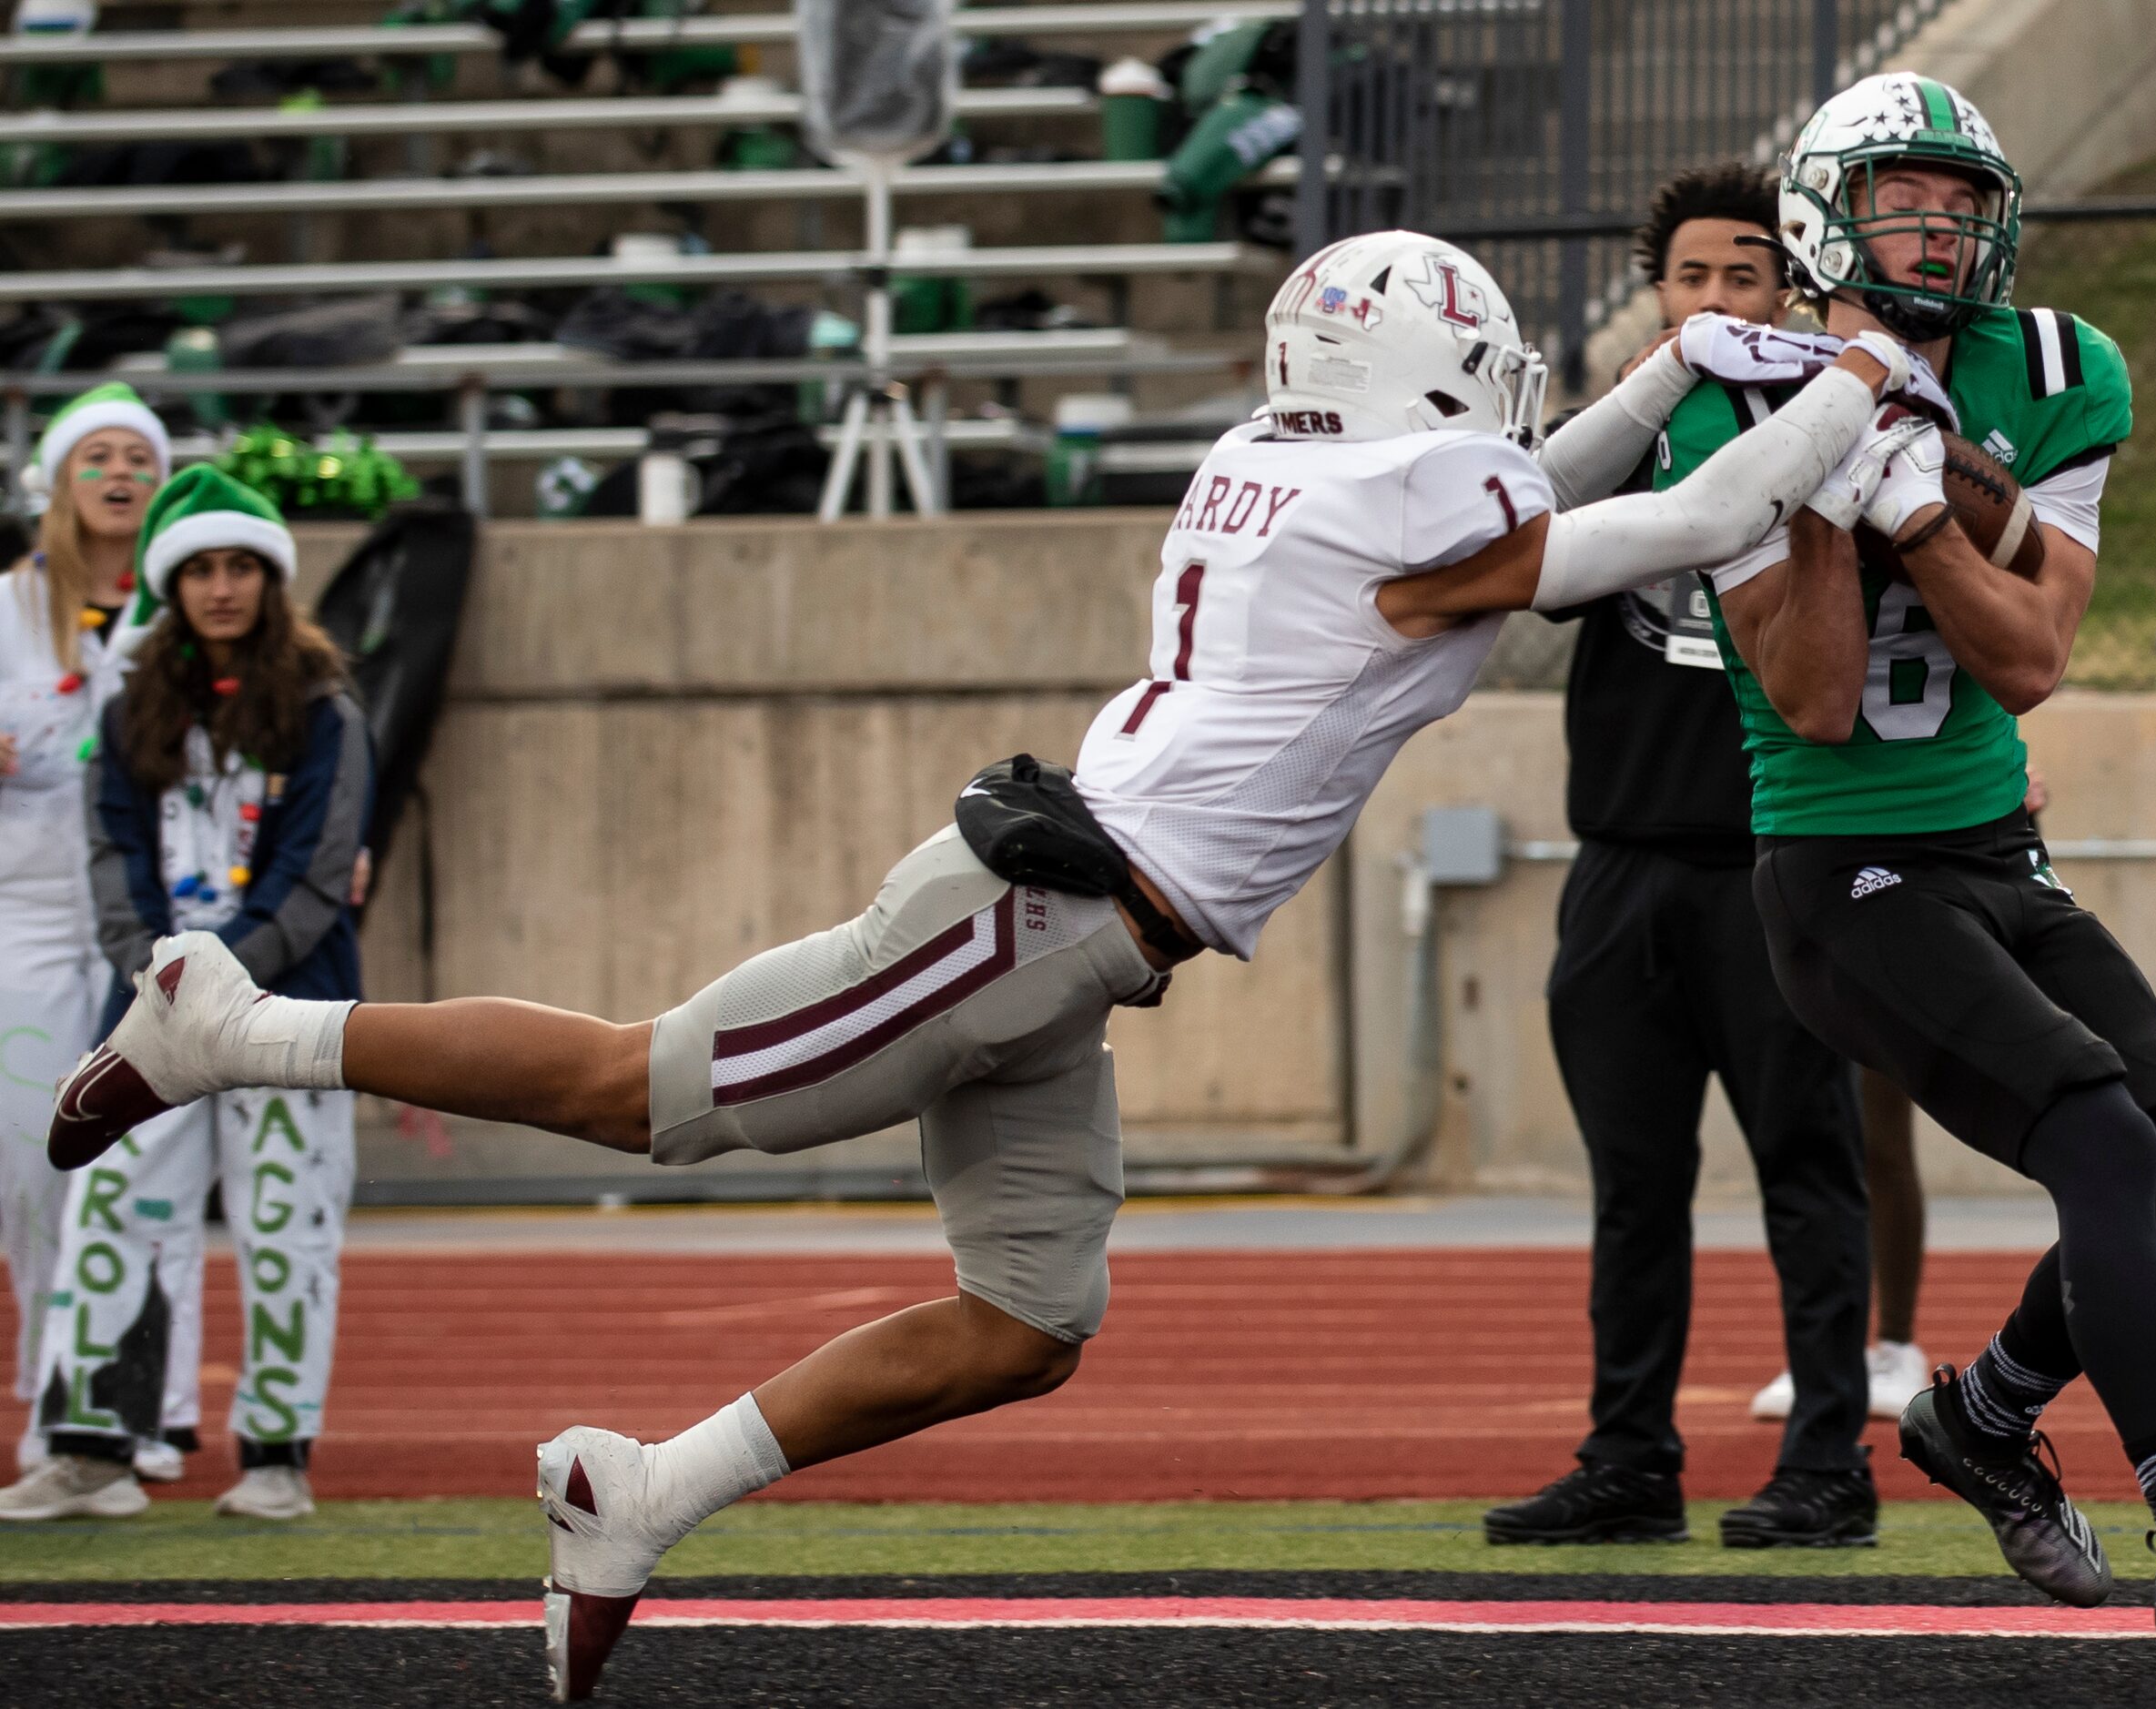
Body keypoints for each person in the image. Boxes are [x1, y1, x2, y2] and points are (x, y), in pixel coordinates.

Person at [45, 230, 1917, 1700]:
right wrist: (1851, 384)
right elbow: (1676, 525)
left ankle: (645, 1491)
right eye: (1471, 370)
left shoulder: (1308, 465)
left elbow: (1546, 492)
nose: (1497, 400)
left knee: (1026, 1320)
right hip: (1021, 918)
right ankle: (239, 1025)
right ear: (1410, 375)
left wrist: (1678, 360)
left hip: (1075, 939)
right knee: (647, 1091)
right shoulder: (1398, 503)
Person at [1654, 71, 2156, 1654]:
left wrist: (1920, 509)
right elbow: (1808, 696)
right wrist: (1823, 488)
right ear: (1826, 214)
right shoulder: (1726, 398)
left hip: (1998, 845)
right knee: (2091, 1129)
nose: (1934, 225)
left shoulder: (2058, 366)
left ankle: (1982, 1415)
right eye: (1900, 196)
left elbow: (2031, 654)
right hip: (1839, 865)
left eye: (1956, 199)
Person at [1482, 165, 1877, 1552]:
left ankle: (1830, 1462)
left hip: (1777, 863)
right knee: (1632, 1187)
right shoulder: (1626, 429)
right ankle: (1628, 1456)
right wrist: (1653, 382)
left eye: (1747, 277)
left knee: (1806, 1168)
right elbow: (1515, 520)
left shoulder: (1835, 435)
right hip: (1621, 862)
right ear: (1658, 291)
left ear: (1797, 290)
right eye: (1693, 278)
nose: (1718, 303)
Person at [2, 466, 370, 1524]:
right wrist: (155, 973)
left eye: (240, 567)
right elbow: (111, 853)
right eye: (201, 568)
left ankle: (276, 1460)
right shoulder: (130, 709)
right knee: (115, 1211)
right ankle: (90, 1454)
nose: (221, 587)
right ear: (173, 583)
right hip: (158, 1012)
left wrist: (232, 984)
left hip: (291, 1014)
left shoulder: (323, 708)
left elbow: (317, 873)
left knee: (286, 1229)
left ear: (271, 580)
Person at [0, 383, 163, 1482]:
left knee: (134, 1173)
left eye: (139, 459)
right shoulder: (7, 608)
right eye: (96, 456)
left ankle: (121, 1414)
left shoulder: (184, 605)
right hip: (24, 918)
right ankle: (54, 1404)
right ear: (58, 480)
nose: (119, 474)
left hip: (150, 921)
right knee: (34, 1166)